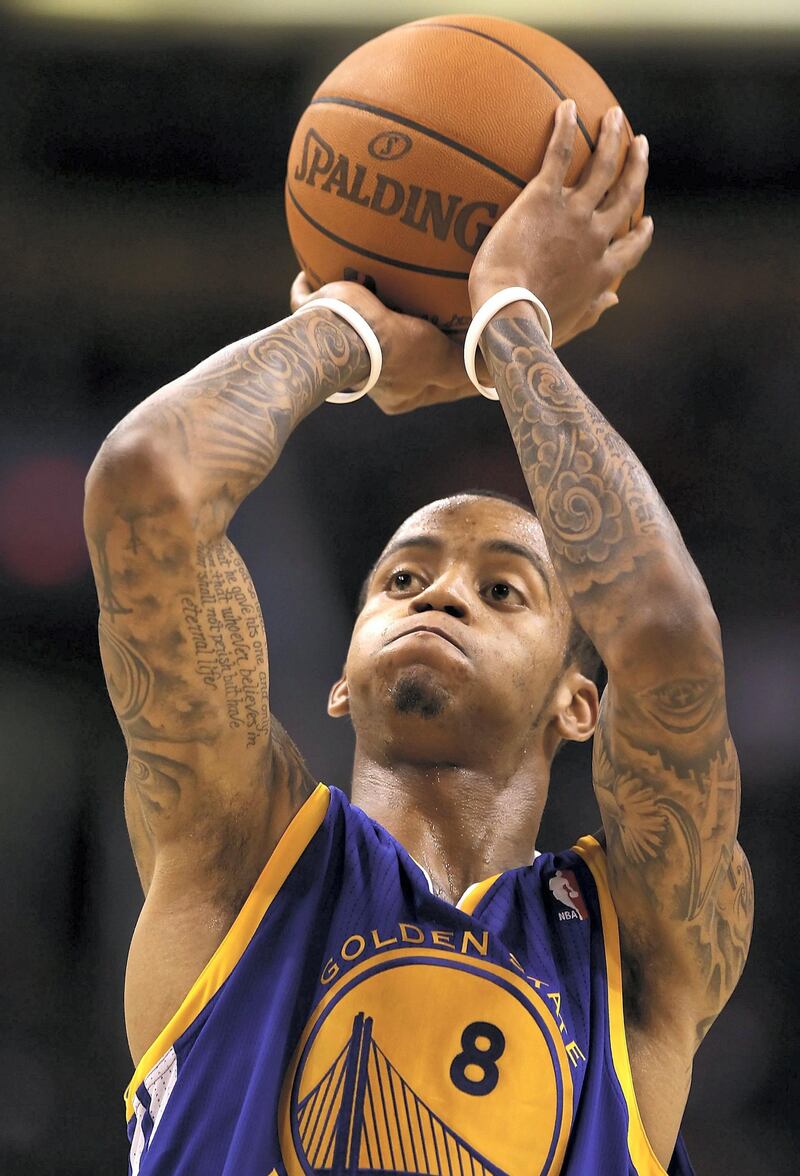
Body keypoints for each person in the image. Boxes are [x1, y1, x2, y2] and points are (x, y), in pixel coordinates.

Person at [84, 100, 752, 1175]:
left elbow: (667, 636)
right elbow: (144, 488)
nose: (440, 596)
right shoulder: (240, 856)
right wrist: (344, 328)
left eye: (502, 590)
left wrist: (509, 326)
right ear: (342, 677)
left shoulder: (636, 944)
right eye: (403, 578)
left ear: (579, 704)